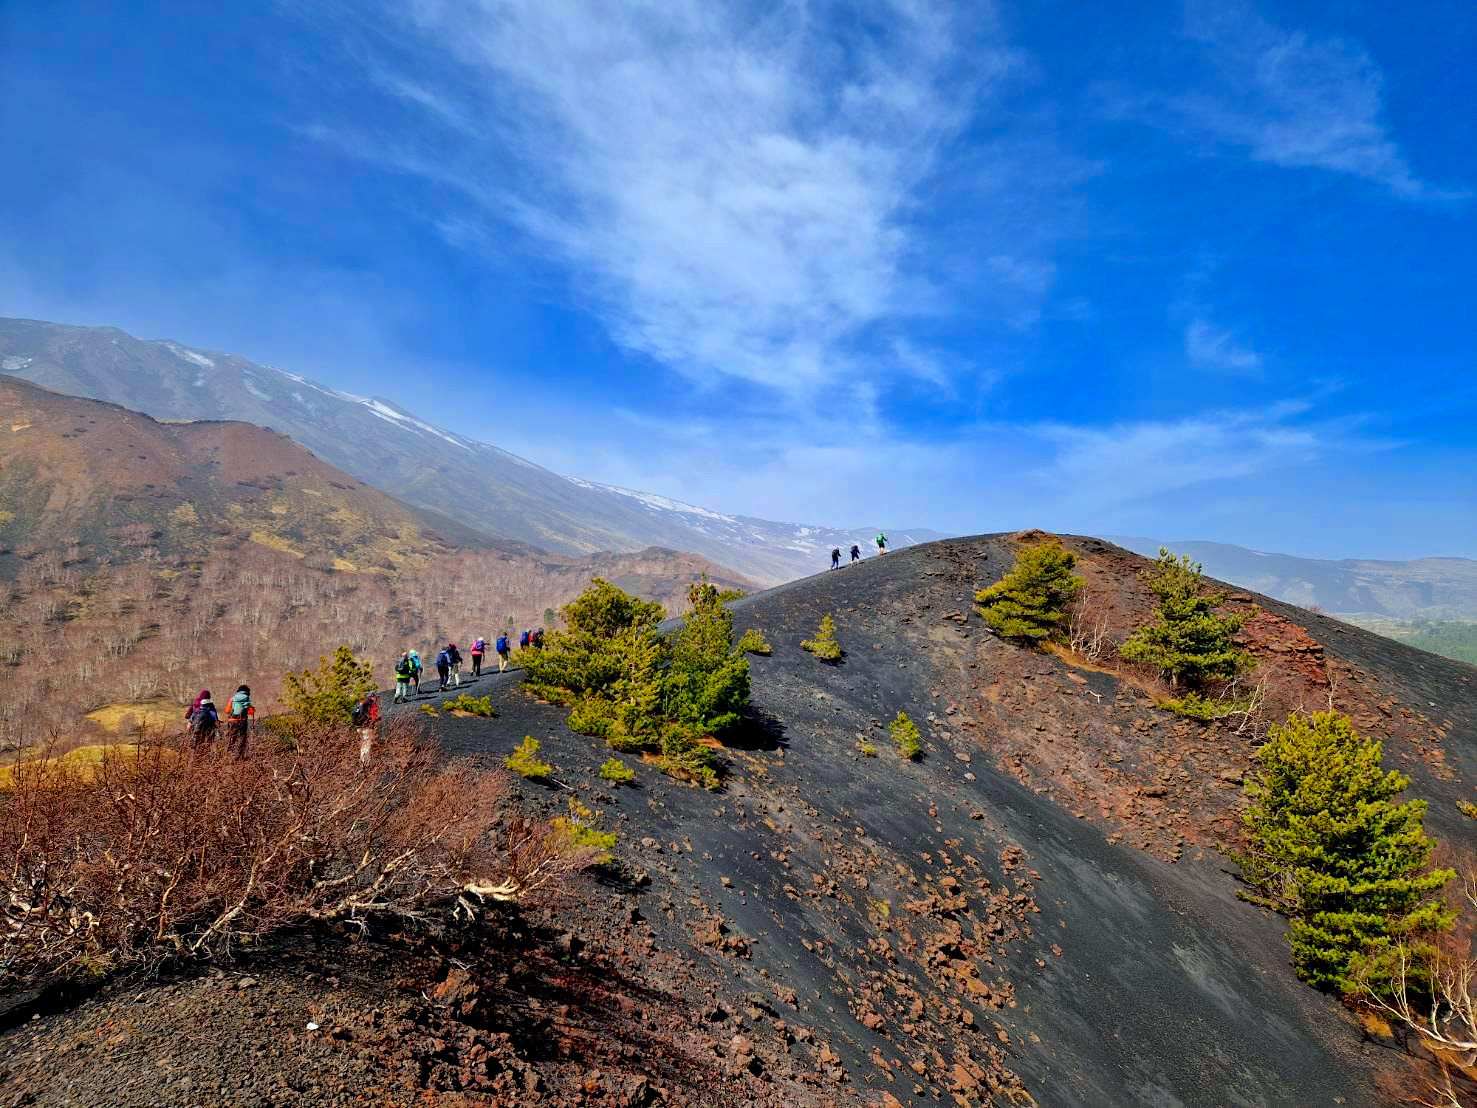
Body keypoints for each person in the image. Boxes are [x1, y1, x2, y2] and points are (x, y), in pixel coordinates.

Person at [225, 685, 254, 759]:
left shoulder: (233, 698)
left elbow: (227, 711)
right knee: (242, 737)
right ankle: (239, 754)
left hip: (232, 721)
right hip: (242, 721)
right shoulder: (247, 699)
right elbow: (251, 712)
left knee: (232, 737)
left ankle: (229, 753)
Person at [351, 692, 380, 764]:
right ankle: (366, 762)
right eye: (375, 697)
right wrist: (377, 719)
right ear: (372, 697)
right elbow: (373, 717)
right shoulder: (371, 705)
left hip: (359, 727)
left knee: (363, 743)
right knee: (367, 744)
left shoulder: (361, 704)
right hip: (367, 727)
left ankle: (362, 760)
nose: (376, 698)